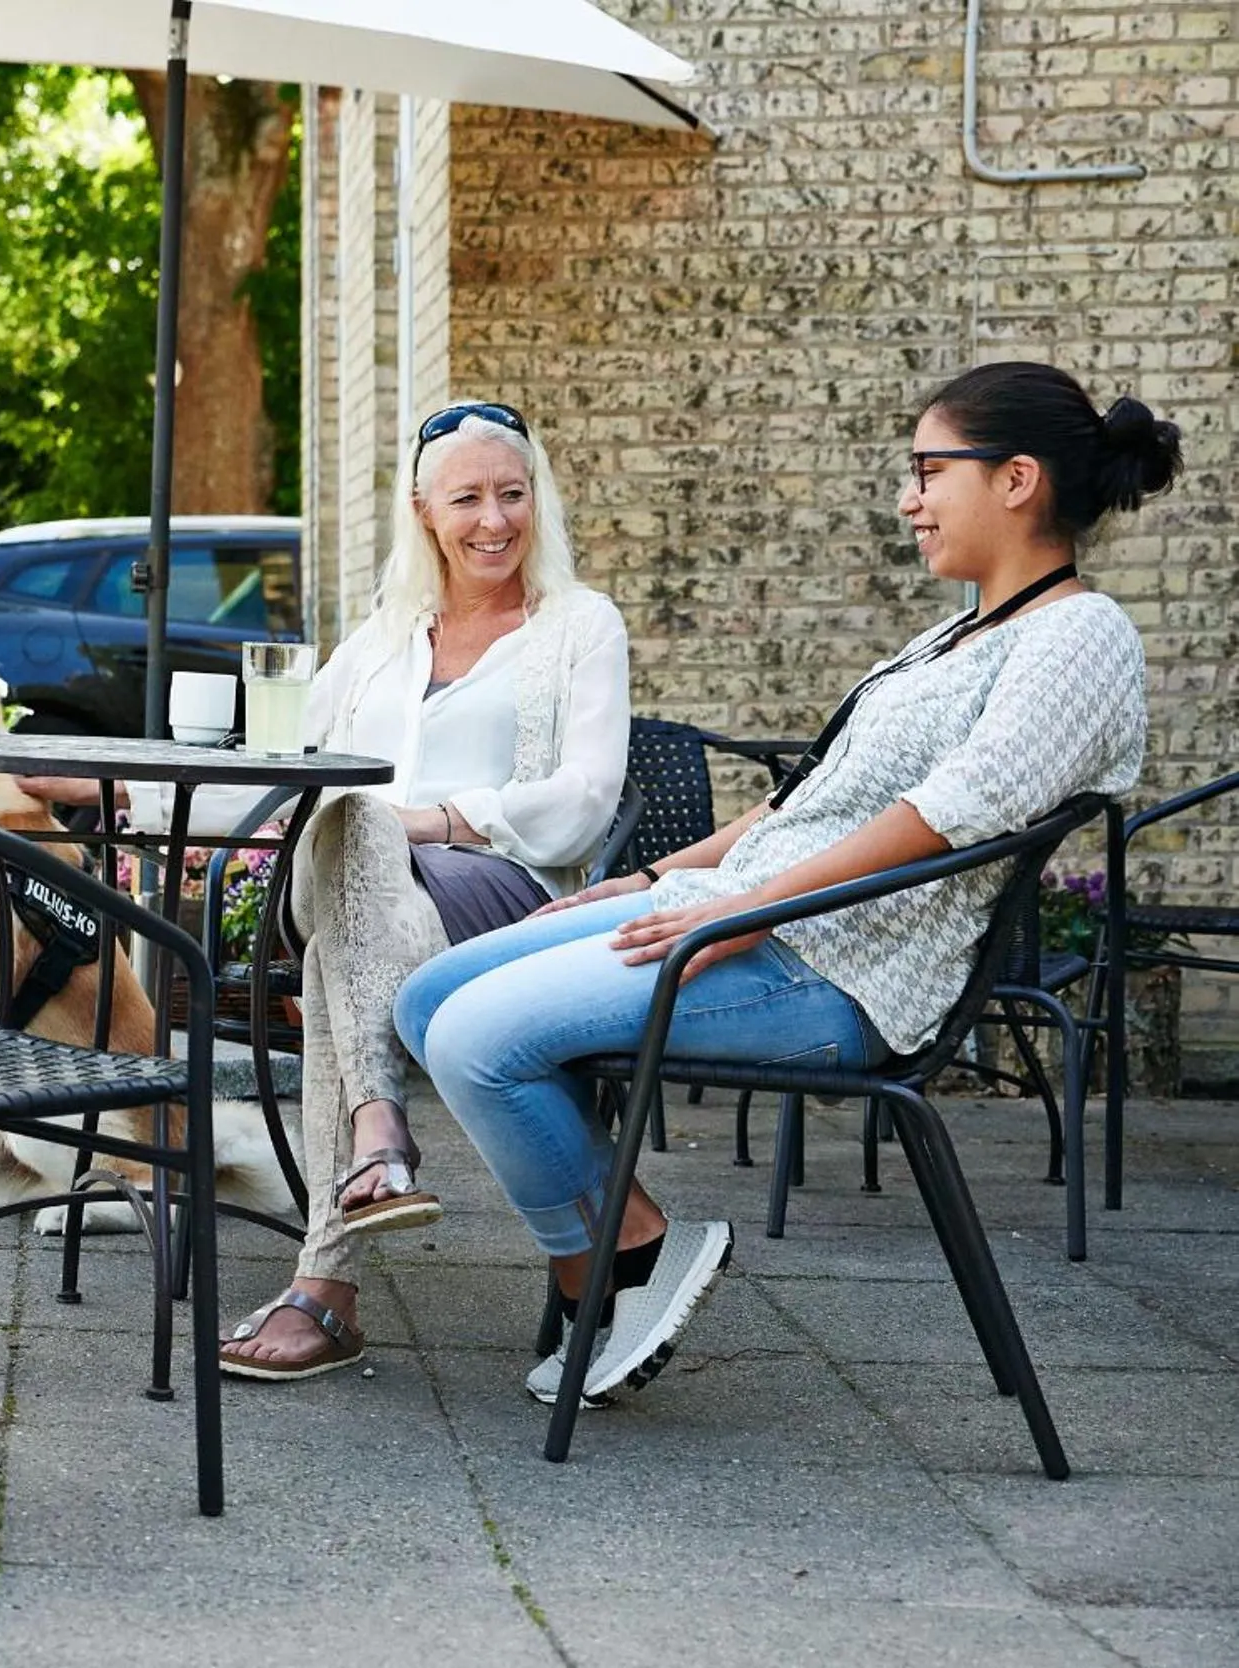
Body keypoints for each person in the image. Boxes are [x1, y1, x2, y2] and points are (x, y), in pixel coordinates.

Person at [397, 361, 1182, 1410]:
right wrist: (649, 875)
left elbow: (951, 812)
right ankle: (616, 1257)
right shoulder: (952, 636)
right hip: (753, 914)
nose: (909, 499)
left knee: (474, 1039)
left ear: (1015, 480)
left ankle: (626, 1258)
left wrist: (748, 905)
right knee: (424, 997)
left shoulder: (1081, 636)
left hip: (839, 967)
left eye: (927, 470)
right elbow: (806, 802)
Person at [23, 402, 629, 1380]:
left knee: (345, 897)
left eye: (511, 495)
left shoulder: (577, 626)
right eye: (466, 497)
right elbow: (280, 776)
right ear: (425, 511)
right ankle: (373, 1140)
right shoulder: (383, 638)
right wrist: (113, 792)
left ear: (537, 502)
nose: (492, 520)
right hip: (344, 879)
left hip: (499, 896)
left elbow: (583, 802)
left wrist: (419, 819)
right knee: (343, 822)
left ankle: (330, 1273)